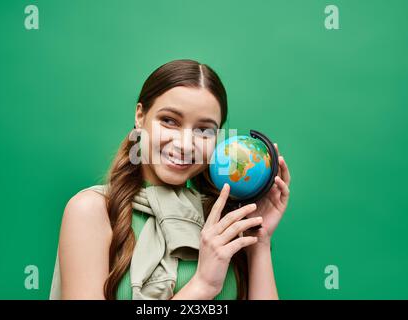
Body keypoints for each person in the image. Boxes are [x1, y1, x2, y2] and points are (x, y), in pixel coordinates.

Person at [49, 59, 291, 300]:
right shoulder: (93, 210)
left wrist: (259, 243)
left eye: (204, 130)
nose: (185, 144)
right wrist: (202, 285)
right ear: (140, 116)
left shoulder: (223, 222)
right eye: (169, 121)